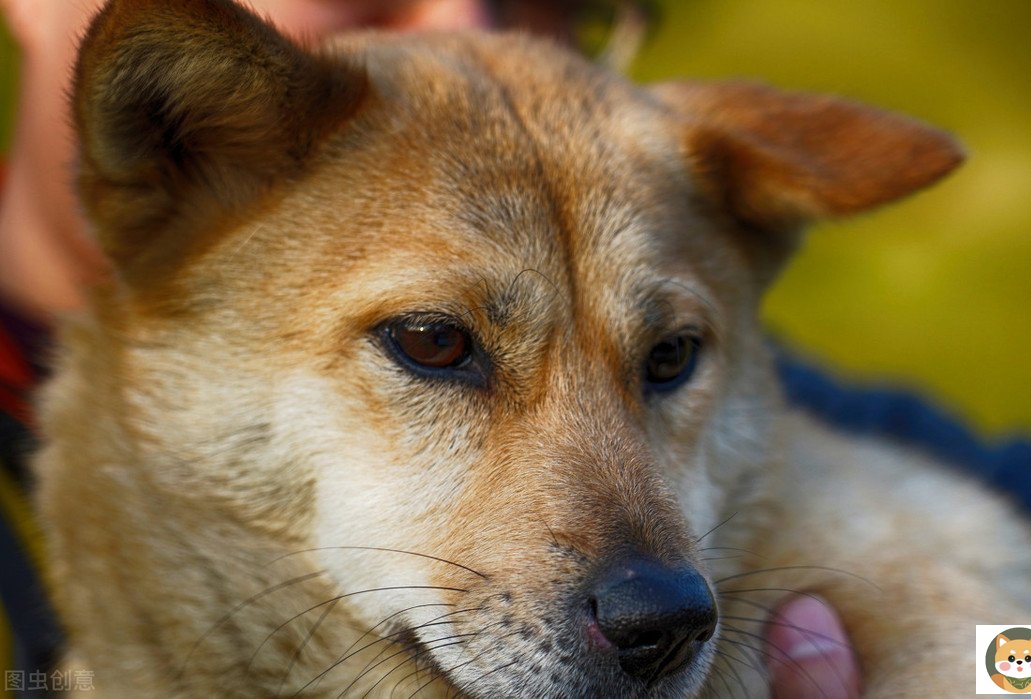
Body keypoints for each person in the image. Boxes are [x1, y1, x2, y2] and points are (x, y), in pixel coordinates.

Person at [0, 0, 860, 696]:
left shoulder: (797, 406)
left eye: (556, 4)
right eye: (436, 342)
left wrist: (987, 674)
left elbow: (998, 642)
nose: (470, 30)